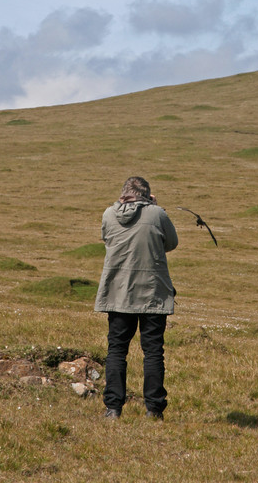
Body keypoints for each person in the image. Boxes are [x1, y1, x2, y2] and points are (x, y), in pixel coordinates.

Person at [94, 176, 178, 420]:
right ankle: (154, 410)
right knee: (153, 352)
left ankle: (113, 409)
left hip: (119, 293)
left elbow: (107, 238)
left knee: (117, 350)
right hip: (153, 294)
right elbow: (171, 243)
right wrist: (155, 207)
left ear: (123, 193)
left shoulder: (109, 214)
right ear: (147, 195)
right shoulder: (157, 214)